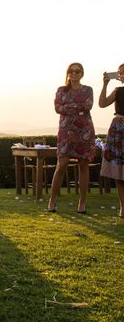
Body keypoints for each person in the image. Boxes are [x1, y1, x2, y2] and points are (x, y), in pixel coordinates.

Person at [47, 63, 96, 213]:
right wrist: (76, 107)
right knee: (61, 166)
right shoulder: (61, 90)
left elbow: (88, 106)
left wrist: (68, 107)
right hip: (66, 131)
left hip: (84, 131)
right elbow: (57, 108)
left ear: (82, 73)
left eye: (77, 71)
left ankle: (82, 202)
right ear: (68, 73)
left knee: (83, 166)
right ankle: (52, 200)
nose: (74, 73)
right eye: (71, 71)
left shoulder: (88, 90)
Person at [98, 63, 124, 218]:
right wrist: (105, 84)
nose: (121, 75)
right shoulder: (118, 91)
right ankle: (123, 206)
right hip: (118, 129)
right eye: (120, 73)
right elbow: (102, 104)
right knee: (118, 171)